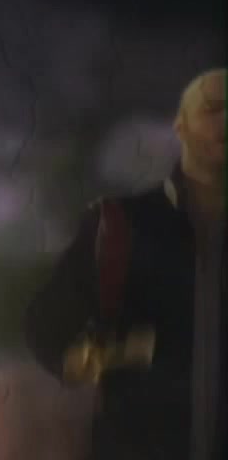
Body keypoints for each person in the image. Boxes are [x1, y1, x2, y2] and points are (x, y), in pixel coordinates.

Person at [25, 68, 226, 460]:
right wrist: (110, 355)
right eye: (213, 109)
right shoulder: (119, 224)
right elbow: (46, 326)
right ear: (181, 127)